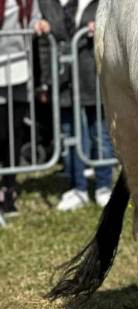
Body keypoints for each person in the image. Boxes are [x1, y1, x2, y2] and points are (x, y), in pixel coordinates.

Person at [37, 0, 113, 211]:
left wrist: (103, 29)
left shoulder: (102, 3)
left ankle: (104, 186)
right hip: (63, 81)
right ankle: (77, 187)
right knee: (69, 135)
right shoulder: (47, 3)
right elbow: (45, 45)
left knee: (100, 134)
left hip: (93, 79)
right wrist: (46, 80)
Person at [0, 0, 47, 216]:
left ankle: (10, 188)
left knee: (14, 134)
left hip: (20, 70)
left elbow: (34, 19)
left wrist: (39, 25)